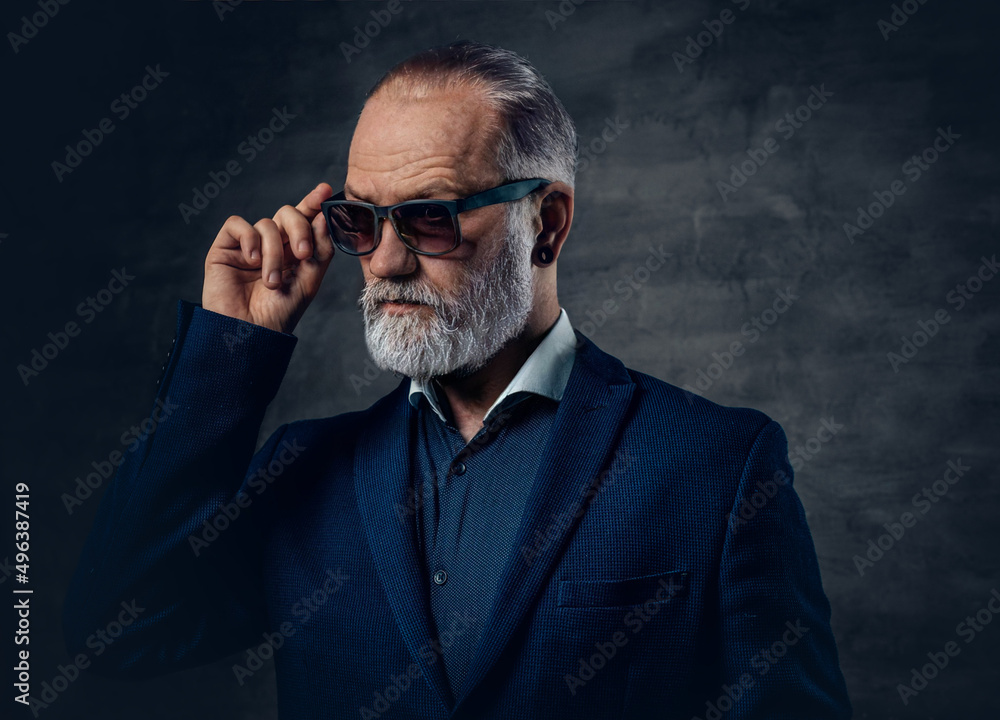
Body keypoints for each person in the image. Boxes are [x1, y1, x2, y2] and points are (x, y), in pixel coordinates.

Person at [63, 41, 852, 719]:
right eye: (359, 220)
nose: (385, 261)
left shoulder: (717, 465)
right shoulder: (303, 472)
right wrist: (230, 354)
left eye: (429, 217)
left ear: (546, 224)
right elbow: (116, 632)